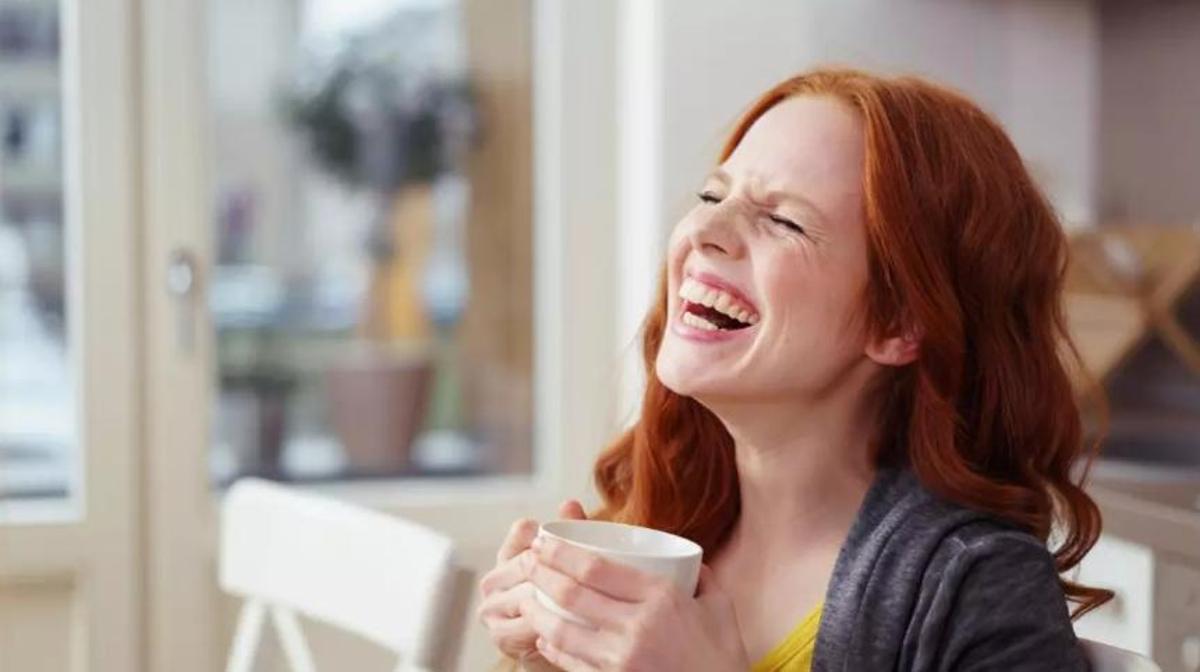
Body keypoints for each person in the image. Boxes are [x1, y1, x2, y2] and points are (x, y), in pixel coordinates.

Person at [476, 67, 1111, 671]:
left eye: (783, 220)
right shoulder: (663, 530)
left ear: (899, 322)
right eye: (712, 194)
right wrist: (551, 658)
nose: (705, 229)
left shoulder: (973, 584)